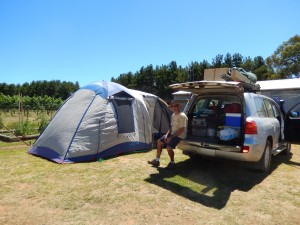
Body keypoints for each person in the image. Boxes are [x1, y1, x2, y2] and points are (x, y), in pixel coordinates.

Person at [148, 102, 188, 169]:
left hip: (180, 135)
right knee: (159, 142)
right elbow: (171, 127)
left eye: (175, 106)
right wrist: (166, 135)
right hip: (172, 134)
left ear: (179, 107)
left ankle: (172, 162)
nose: (174, 107)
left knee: (169, 147)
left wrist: (171, 137)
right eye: (172, 106)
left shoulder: (182, 116)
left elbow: (181, 130)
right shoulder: (173, 115)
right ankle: (156, 160)